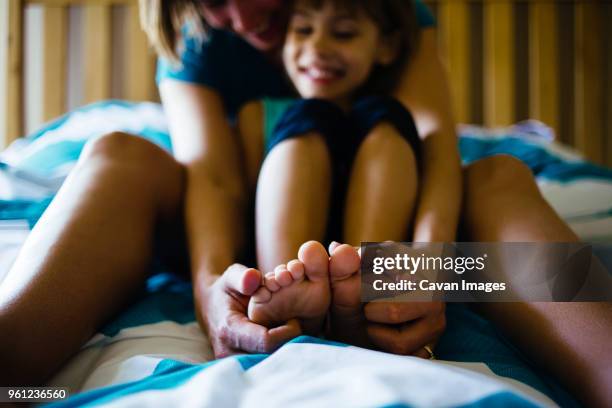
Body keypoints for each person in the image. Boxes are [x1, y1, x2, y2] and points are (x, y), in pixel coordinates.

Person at [0, 1, 609, 406]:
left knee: (500, 173)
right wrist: (213, 292)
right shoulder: (197, 33)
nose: (239, 15)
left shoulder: (384, 11)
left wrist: (427, 267)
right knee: (117, 153)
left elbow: (434, 146)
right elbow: (210, 178)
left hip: (390, 226)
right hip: (239, 217)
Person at [234, 0, 426, 336]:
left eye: (344, 33)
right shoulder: (256, 116)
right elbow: (242, 204)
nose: (318, 47)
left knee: (387, 116)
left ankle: (362, 285)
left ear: (386, 46)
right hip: (285, 243)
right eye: (303, 30)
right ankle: (286, 284)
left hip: (372, 239)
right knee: (308, 117)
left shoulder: (389, 124)